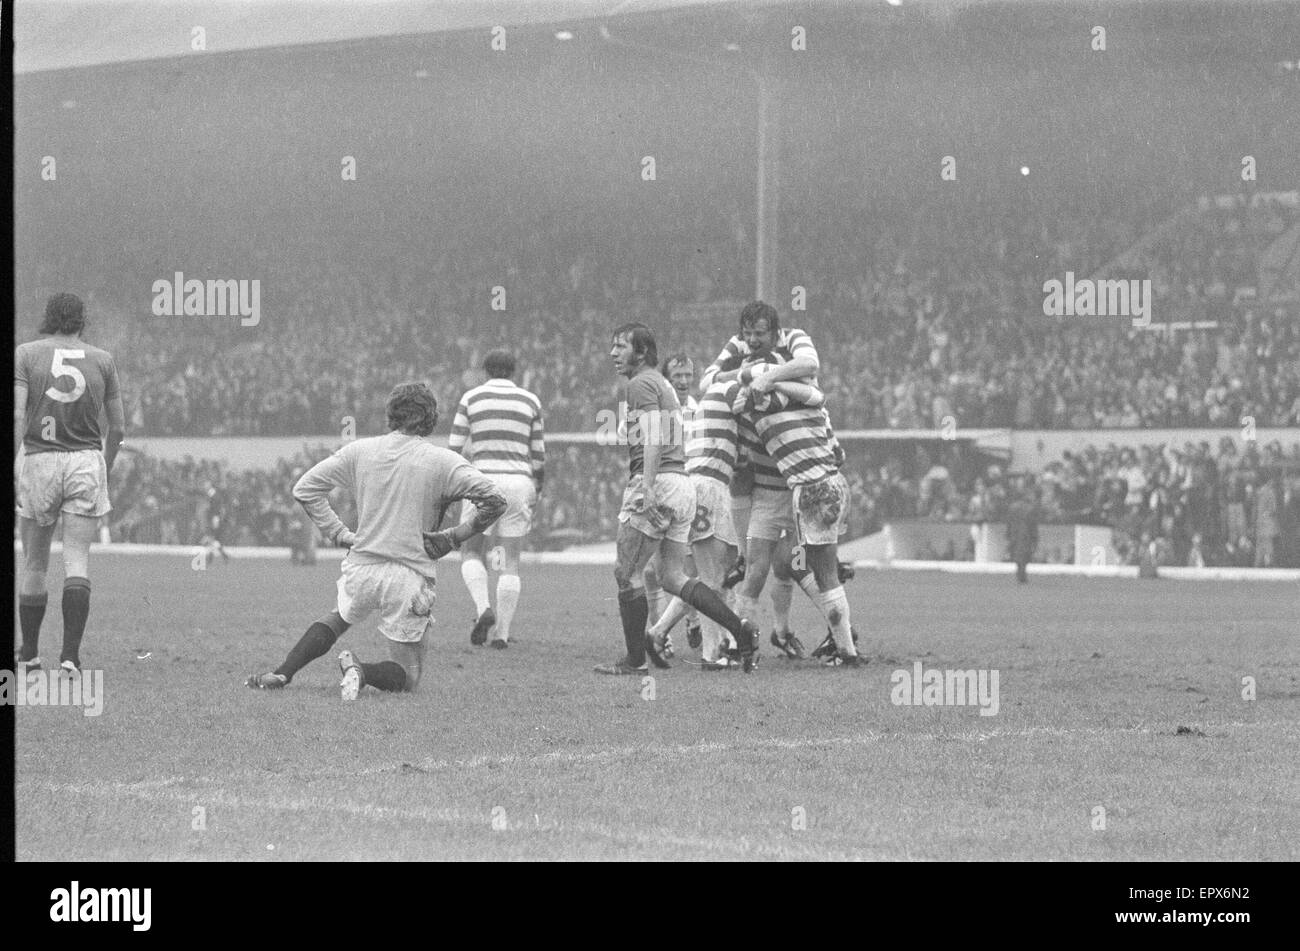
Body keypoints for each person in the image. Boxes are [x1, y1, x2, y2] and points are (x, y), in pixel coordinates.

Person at [246, 383, 506, 700]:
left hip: (362, 565)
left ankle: (281, 673)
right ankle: (360, 670)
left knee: (338, 617)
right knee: (409, 676)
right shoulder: (442, 461)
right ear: (429, 417)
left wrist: (340, 534)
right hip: (408, 575)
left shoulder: (361, 451)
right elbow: (495, 500)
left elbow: (305, 488)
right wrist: (453, 536)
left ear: (391, 415)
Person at [597, 323, 758, 675]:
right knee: (672, 577)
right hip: (683, 483)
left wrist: (647, 486)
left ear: (641, 352)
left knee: (627, 573)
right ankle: (740, 629)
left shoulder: (640, 383)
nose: (613, 353)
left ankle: (635, 661)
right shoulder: (661, 383)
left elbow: (653, 436)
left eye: (620, 346)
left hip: (660, 482)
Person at [14, 293, 126, 674]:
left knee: (34, 562)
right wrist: (104, 467)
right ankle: (70, 657)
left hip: (40, 458)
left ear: (49, 319)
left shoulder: (26, 354)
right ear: (82, 321)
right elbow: (120, 428)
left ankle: (29, 654)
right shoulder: (103, 359)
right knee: (76, 558)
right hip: (84, 460)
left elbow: (16, 415)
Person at [448, 350, 545, 648]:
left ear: (485, 371)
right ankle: (502, 634)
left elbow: (453, 449)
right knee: (510, 561)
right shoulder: (531, 401)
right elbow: (539, 456)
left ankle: (482, 609)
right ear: (514, 371)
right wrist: (536, 489)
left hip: (481, 480)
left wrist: (452, 490)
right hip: (518, 482)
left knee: (471, 552)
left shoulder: (471, 398)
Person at [1005, 477, 1040, 583]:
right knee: (1025, 555)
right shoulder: (1030, 508)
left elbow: (1009, 522)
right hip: (1026, 534)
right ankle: (1022, 574)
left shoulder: (1012, 507)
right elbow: (1033, 525)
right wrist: (1035, 538)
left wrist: (1008, 534)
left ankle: (1020, 574)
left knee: (1017, 554)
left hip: (1015, 533)